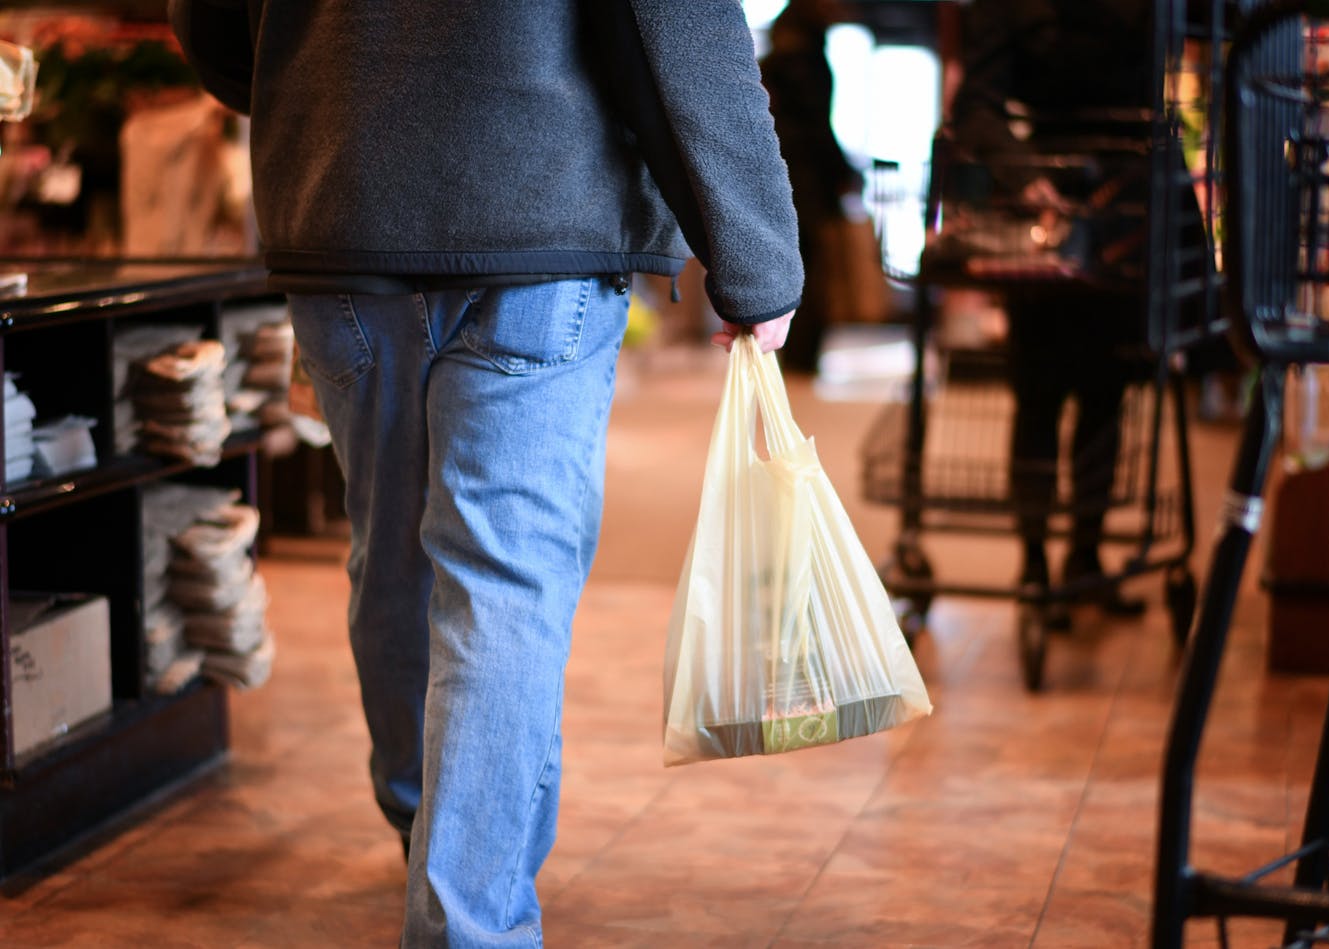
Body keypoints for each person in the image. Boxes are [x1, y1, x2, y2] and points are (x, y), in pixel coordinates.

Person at [170, 1, 802, 945]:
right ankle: (467, 910)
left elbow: (209, 24)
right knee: (503, 583)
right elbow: (674, 21)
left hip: (344, 212)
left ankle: (428, 831)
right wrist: (757, 256)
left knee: (391, 556)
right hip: (540, 213)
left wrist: (329, 81)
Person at [950, 0, 1156, 618]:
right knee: (1043, 390)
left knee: (1104, 390)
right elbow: (976, 110)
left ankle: (1082, 560)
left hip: (1126, 206)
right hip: (1054, 208)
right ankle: (1039, 566)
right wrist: (1025, 176)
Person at [759, 0, 861, 373]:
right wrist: (843, 172)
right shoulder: (807, 62)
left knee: (788, 265)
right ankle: (802, 354)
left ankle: (787, 349)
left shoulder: (773, 61)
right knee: (810, 269)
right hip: (805, 181)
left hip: (779, 178)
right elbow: (817, 127)